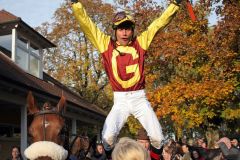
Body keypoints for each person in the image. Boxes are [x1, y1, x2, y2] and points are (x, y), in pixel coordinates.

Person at [71, 0, 182, 158]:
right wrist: (76, 5)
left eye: (128, 29)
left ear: (132, 30)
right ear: (115, 30)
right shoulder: (105, 44)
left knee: (157, 138)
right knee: (107, 138)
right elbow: (87, 25)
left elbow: (158, 24)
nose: (124, 33)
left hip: (139, 99)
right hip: (120, 100)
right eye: (121, 29)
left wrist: (174, 5)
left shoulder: (141, 42)